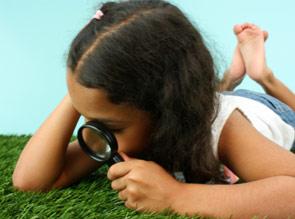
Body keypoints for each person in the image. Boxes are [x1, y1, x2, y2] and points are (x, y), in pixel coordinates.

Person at [12, 1, 295, 218]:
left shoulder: (228, 130)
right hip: (207, 99)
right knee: (214, 96)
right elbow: (31, 182)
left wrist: (178, 196)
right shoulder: (118, 124)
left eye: (109, 125)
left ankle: (262, 76)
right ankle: (229, 80)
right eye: (86, 114)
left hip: (266, 110)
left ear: (167, 112)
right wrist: (80, 86)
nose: (96, 133)